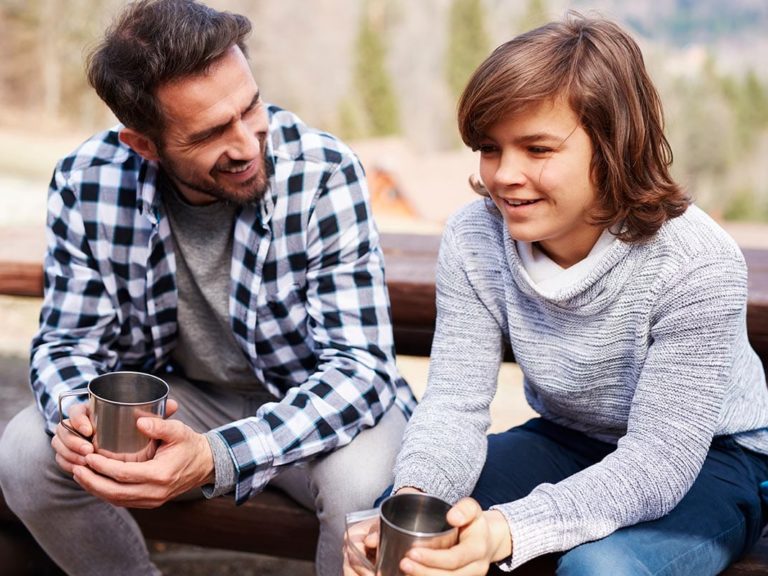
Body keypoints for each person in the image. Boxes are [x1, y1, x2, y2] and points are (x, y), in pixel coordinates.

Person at [0, 1, 416, 575]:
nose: (248, 144)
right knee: (26, 452)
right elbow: (67, 343)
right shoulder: (86, 181)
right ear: (144, 144)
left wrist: (219, 457)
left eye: (250, 107)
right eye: (213, 132)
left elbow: (362, 372)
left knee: (364, 486)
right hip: (184, 405)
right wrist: (77, 418)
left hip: (318, 406)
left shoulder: (322, 172)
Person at [344, 13, 768, 576]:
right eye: (490, 149)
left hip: (713, 460)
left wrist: (506, 531)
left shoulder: (696, 262)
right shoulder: (474, 238)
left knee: (600, 569)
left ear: (613, 145)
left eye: (538, 149)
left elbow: (659, 462)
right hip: (569, 437)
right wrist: (414, 497)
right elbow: (453, 405)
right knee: (409, 530)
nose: (505, 176)